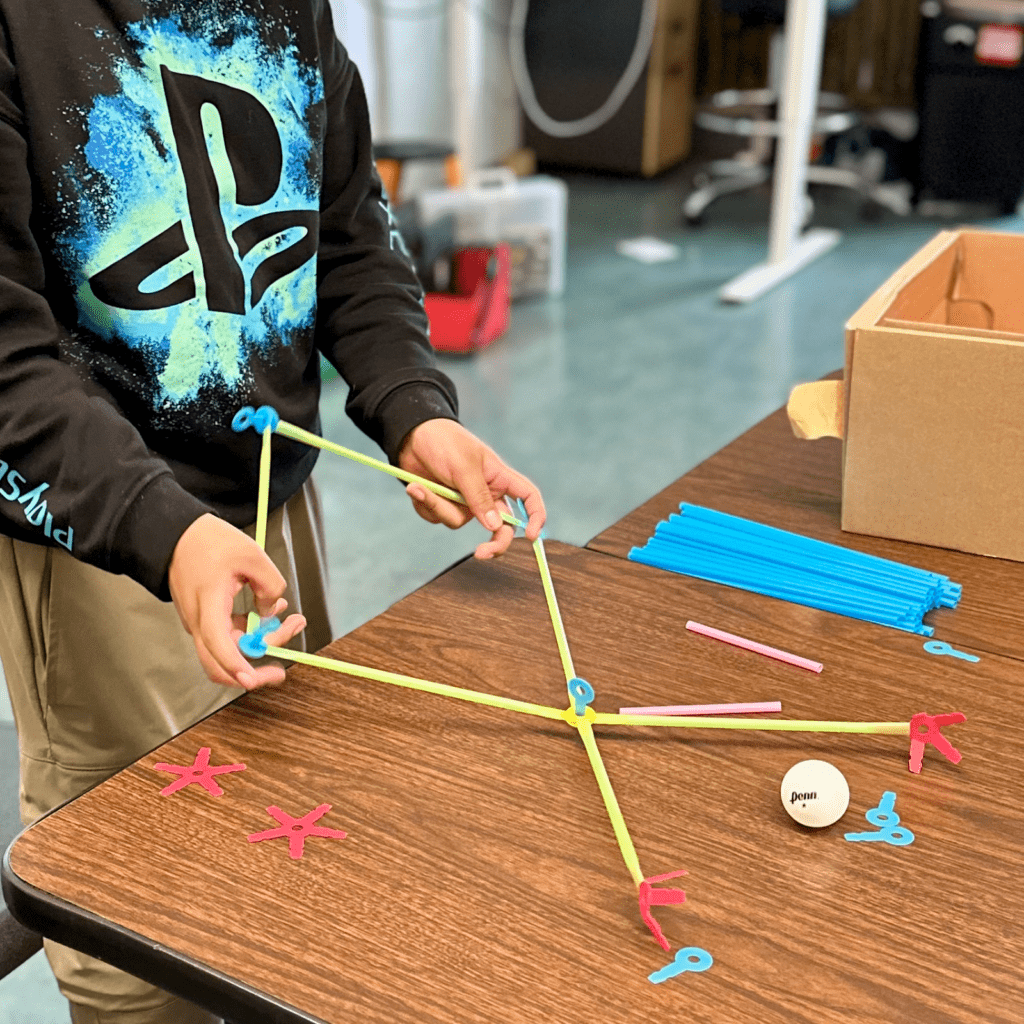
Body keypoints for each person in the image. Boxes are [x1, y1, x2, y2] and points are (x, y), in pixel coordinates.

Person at [0, 2, 545, 1022]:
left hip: (269, 494)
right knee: (140, 921)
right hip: (103, 528)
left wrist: (412, 410)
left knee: (288, 834)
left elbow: (348, 238)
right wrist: (167, 533)